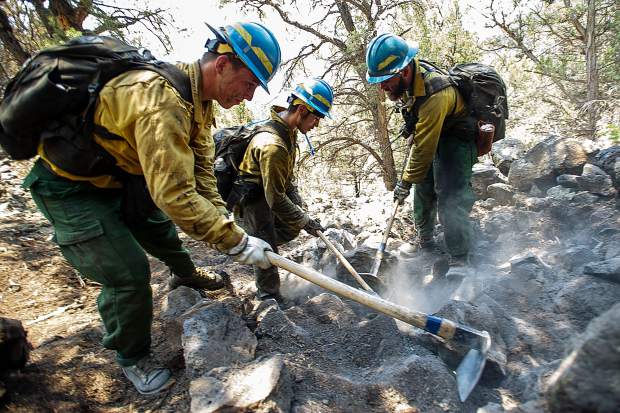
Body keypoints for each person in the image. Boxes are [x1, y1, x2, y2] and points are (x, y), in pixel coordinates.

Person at [21, 22, 281, 395]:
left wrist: (225, 223)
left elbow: (201, 171)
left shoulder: (199, 102)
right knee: (128, 273)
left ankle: (186, 275)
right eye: (250, 83)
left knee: (162, 233)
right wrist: (237, 242)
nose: (250, 96)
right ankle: (132, 356)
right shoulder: (161, 100)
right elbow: (175, 195)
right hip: (69, 187)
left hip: (119, 180)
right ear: (223, 64)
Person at [365, 33, 477, 280]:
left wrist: (403, 183)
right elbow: (416, 116)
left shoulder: (435, 92)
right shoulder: (409, 80)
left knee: (449, 194)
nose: (381, 87)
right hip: (432, 130)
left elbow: (424, 150)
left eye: (385, 81)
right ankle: (426, 243)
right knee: (423, 186)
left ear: (403, 71)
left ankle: (460, 258)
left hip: (456, 138)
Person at [232, 78, 334, 301]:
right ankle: (268, 296)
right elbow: (275, 199)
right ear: (301, 110)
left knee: (290, 227)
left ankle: (252, 242)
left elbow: (285, 179)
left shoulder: (288, 131)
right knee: (267, 244)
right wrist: (304, 220)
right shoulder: (273, 144)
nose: (317, 124)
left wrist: (298, 205)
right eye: (316, 117)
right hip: (253, 201)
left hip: (266, 193)